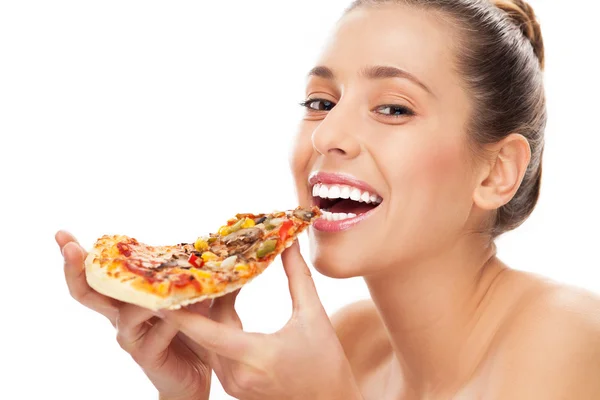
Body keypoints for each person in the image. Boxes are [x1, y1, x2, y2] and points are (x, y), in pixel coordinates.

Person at [56, 0, 600, 398]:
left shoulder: (568, 335)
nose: (325, 135)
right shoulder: (352, 341)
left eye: (393, 108)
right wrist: (188, 393)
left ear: (497, 171)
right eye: (320, 101)